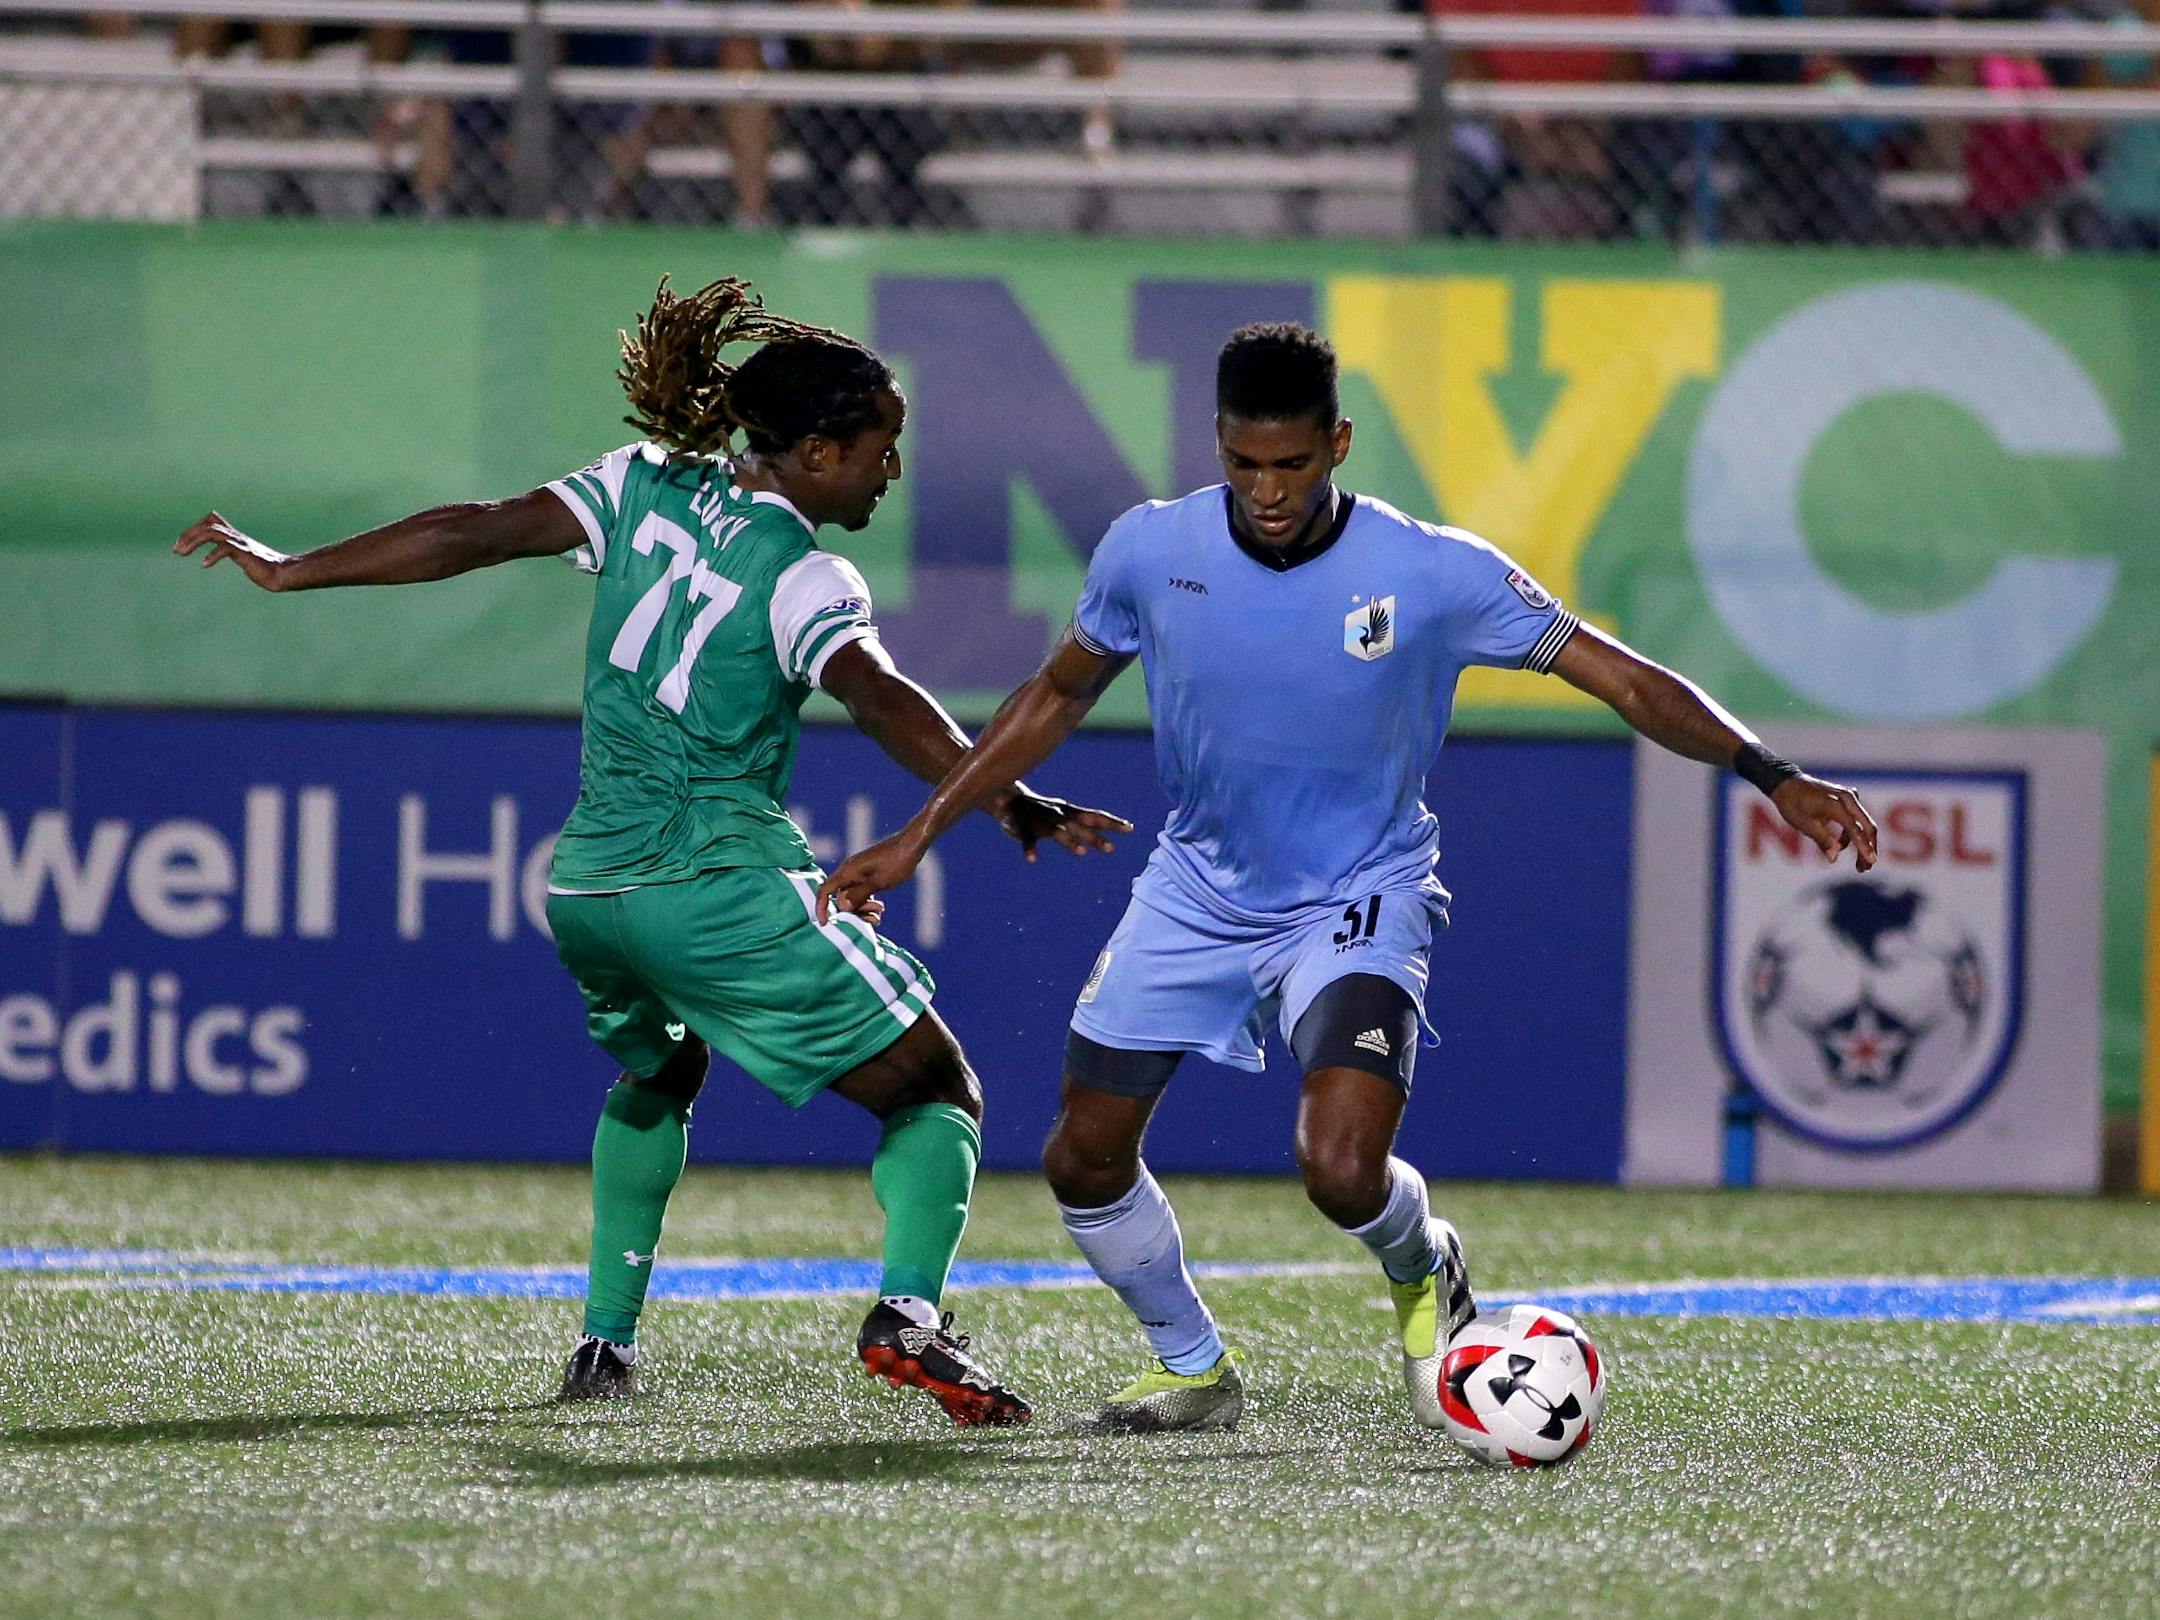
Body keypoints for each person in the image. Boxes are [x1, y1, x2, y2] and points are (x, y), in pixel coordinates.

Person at [818, 322, 1879, 1433]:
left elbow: (1621, 677)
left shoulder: (1433, 570)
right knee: (1081, 1159)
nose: (1267, 491)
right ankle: (1194, 1368)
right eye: (1243, 464)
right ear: (1217, 443)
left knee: (1336, 1168)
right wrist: (927, 827)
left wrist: (1771, 773)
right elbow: (1056, 692)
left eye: (1293, 464)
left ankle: (1426, 1262)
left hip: (1360, 894)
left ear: (1339, 443)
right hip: (1197, 889)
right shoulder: (1147, 549)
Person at [171, 275, 1129, 1426]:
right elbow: (880, 699)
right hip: (715, 886)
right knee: (939, 1093)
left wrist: (292, 567)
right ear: (819, 450)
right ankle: (910, 1318)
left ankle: (603, 1345)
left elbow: (469, 533)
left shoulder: (639, 484)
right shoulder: (807, 572)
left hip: (585, 887)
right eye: (880, 446)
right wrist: (1005, 798)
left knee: (661, 1071)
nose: (891, 468)